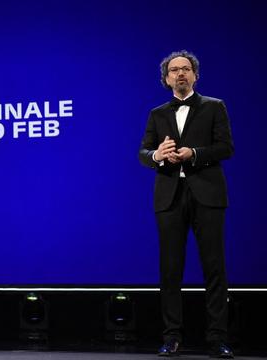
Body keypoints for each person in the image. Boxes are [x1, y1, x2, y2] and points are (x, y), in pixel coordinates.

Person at [139, 50, 234, 358]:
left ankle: (218, 338)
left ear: (195, 75)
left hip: (207, 194)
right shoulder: (157, 114)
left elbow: (225, 147)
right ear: (166, 79)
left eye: (186, 69)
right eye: (174, 70)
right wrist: (157, 155)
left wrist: (194, 153)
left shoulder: (214, 107)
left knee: (214, 268)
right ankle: (172, 337)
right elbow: (143, 151)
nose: (180, 73)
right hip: (169, 196)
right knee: (170, 270)